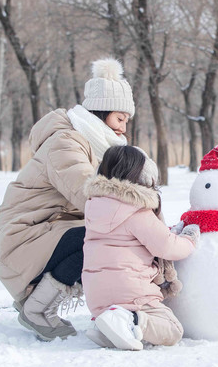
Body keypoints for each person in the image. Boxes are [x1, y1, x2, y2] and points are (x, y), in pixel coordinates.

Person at [0, 58, 135, 341]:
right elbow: (89, 196)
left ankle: (41, 302)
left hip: (45, 232)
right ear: (101, 113)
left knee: (109, 235)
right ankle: (38, 309)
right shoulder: (66, 142)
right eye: (120, 118)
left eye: (127, 120)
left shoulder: (94, 145)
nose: (124, 128)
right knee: (102, 239)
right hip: (20, 238)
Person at [81, 145, 200, 350]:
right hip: (130, 292)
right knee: (172, 329)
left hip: (96, 294)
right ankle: (131, 321)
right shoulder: (135, 210)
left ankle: (108, 325)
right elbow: (167, 246)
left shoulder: (94, 206)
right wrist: (189, 239)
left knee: (120, 316)